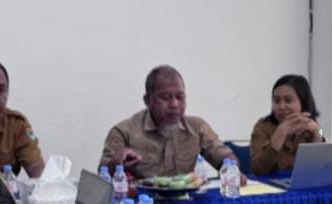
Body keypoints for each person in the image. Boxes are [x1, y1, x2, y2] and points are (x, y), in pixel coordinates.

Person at [99, 64, 239, 179]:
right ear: (147, 101)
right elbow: (102, 176)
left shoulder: (197, 127)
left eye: (180, 97)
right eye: (165, 97)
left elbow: (226, 158)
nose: (174, 104)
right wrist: (115, 163)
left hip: (187, 201)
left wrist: (232, 170)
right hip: (143, 202)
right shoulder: (124, 132)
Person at [249, 74, 325, 175]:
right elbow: (258, 170)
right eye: (277, 101)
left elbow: (322, 168)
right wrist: (281, 133)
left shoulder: (310, 125)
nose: (281, 107)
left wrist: (317, 132)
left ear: (303, 102)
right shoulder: (263, 126)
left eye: (288, 100)